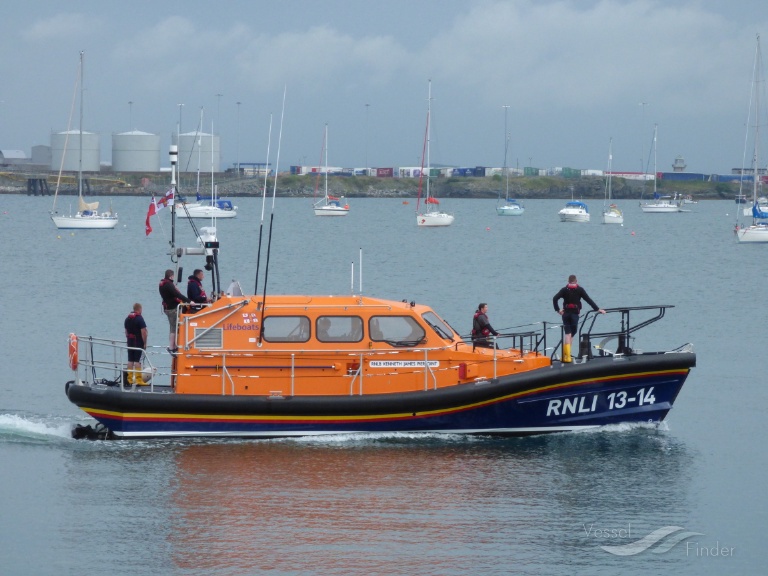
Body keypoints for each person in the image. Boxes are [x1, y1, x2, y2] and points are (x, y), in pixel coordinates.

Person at [552, 275, 605, 363]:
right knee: (572, 333)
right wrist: (598, 309)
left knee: (567, 334)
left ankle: (566, 356)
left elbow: (554, 298)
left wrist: (558, 310)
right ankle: (567, 355)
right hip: (574, 315)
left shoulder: (564, 290)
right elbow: (588, 300)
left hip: (565, 314)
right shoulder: (580, 289)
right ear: (576, 281)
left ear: (568, 281)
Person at [159, 269, 190, 352]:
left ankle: (174, 345)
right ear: (171, 276)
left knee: (173, 326)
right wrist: (188, 301)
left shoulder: (162, 284)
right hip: (172, 309)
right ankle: (172, 346)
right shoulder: (169, 285)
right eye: (173, 276)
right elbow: (177, 294)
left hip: (167, 308)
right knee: (174, 328)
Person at [124, 303, 148, 385]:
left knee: (130, 360)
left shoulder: (127, 319)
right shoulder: (139, 319)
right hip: (138, 342)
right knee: (137, 361)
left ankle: (129, 378)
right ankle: (138, 379)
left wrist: (128, 340)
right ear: (139, 309)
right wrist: (145, 343)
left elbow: (126, 332)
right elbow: (143, 332)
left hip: (130, 342)